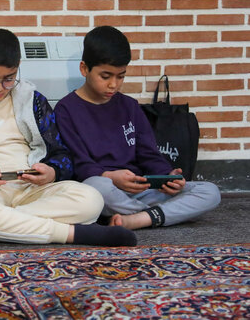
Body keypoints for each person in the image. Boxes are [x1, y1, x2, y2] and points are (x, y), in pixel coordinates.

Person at [0, 28, 137, 247]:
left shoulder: (34, 102)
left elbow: (62, 154)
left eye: (9, 79)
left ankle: (1, 223)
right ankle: (71, 234)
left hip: (32, 188)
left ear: (18, 69)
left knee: (91, 199)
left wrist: (51, 172)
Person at [54, 25, 221, 230]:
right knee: (96, 188)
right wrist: (111, 177)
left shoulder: (130, 106)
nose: (113, 85)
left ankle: (136, 218)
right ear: (84, 69)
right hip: (105, 189)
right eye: (105, 76)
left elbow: (148, 154)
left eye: (121, 76)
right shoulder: (66, 109)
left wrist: (167, 175)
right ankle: (157, 215)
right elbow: (78, 165)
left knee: (210, 192)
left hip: (140, 188)